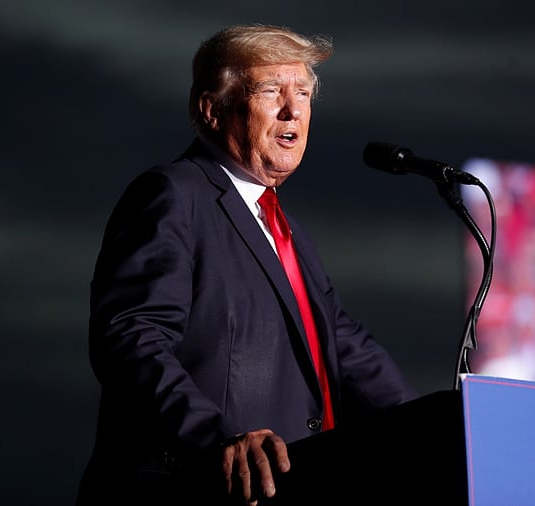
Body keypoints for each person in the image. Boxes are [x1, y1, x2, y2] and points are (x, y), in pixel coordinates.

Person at [76, 24, 420, 505]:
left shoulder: (288, 231)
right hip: (195, 489)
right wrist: (214, 437)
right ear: (211, 109)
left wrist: (450, 427)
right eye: (270, 90)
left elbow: (347, 349)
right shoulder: (174, 194)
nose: (293, 108)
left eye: (302, 92)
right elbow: (131, 336)